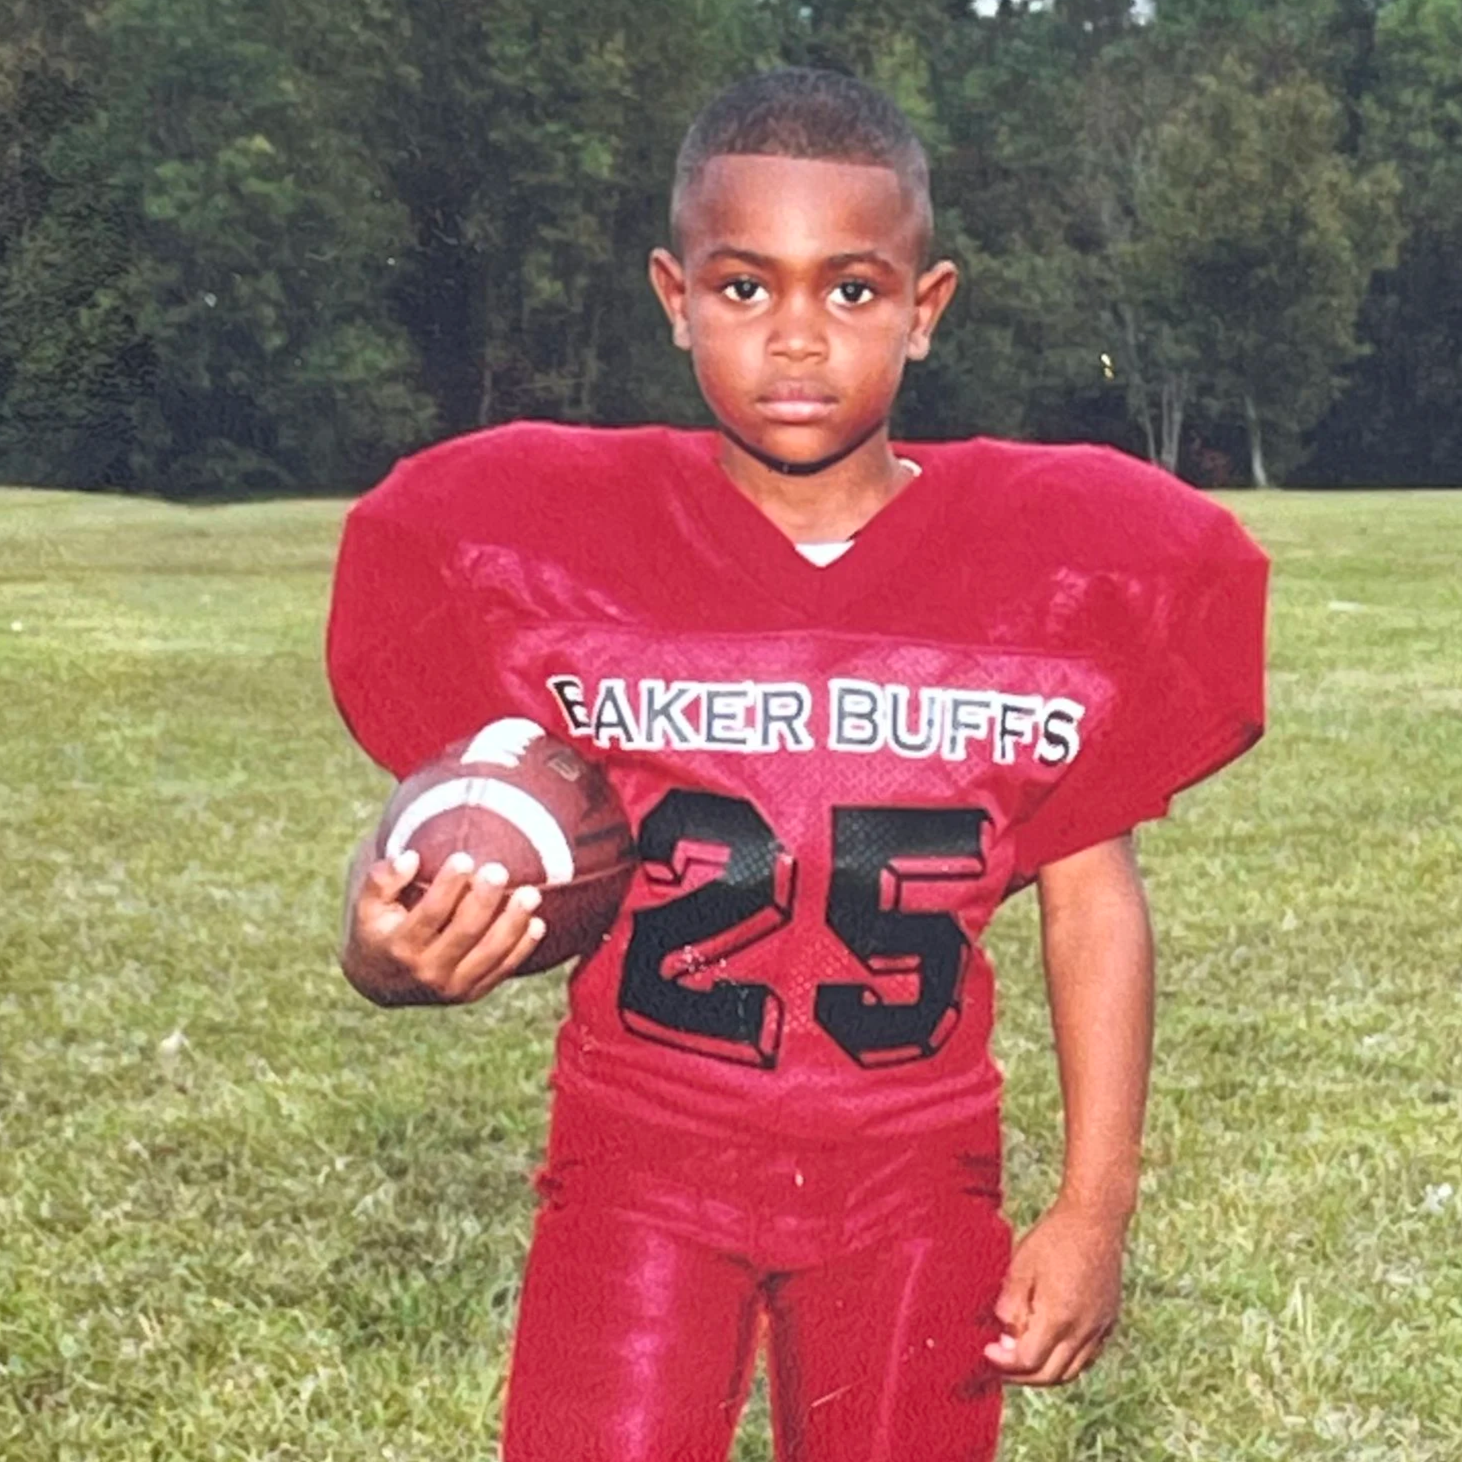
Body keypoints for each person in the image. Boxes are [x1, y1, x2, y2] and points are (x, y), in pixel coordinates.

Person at [326, 67, 1267, 1462]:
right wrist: (379, 939)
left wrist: (1091, 1207)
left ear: (925, 306)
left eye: (851, 290)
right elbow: (461, 806)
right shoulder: (556, 540)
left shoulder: (1054, 563)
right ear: (673, 294)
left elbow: (1089, 899)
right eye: (743, 287)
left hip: (913, 1173)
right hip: (638, 1155)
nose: (796, 339)